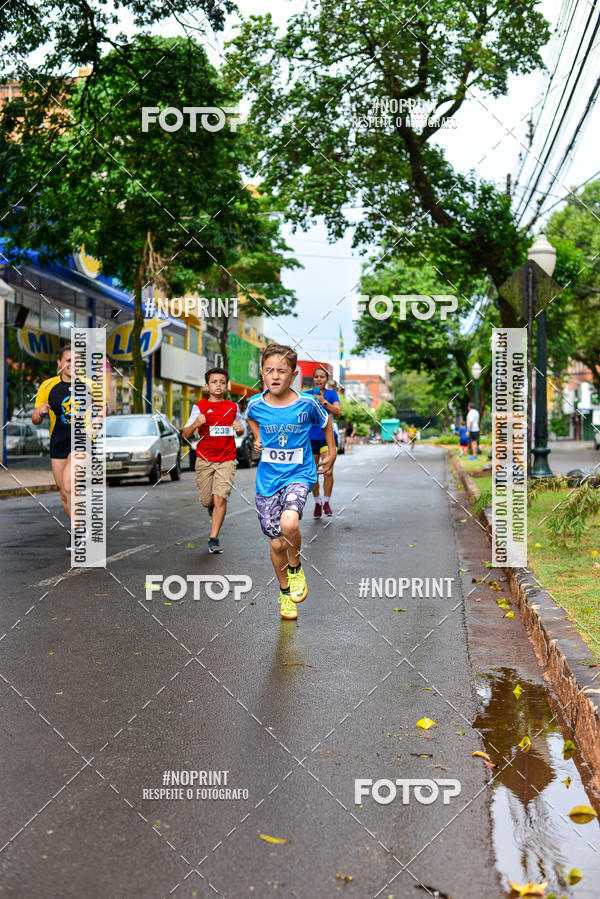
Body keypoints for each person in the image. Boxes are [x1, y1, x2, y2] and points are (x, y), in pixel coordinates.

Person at [246, 344, 336, 620]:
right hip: (267, 481)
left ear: (294, 375)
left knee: (289, 524)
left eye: (282, 371)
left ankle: (295, 568)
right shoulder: (255, 405)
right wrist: (258, 437)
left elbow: (325, 422)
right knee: (275, 544)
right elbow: (251, 419)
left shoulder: (307, 404)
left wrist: (331, 451)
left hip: (299, 475)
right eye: (269, 370)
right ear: (262, 373)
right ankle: (285, 594)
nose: (275, 376)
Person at [31, 345, 97, 550]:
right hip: (58, 441)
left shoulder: (90, 385)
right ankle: (79, 526)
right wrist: (40, 411)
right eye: (68, 360)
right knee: (63, 492)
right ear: (60, 364)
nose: (72, 364)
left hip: (82, 440)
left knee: (70, 483)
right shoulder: (48, 386)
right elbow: (35, 420)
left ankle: (77, 531)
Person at [182, 367, 245, 554]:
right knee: (206, 500)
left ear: (226, 386)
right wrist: (196, 424)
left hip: (227, 458)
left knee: (220, 497)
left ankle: (213, 538)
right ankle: (210, 507)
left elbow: (242, 429)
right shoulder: (199, 407)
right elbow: (185, 434)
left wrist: (238, 428)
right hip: (204, 459)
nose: (218, 385)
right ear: (207, 386)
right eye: (214, 382)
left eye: (222, 382)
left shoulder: (233, 407)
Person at [305, 365, 341, 517]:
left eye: (322, 377)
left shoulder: (332, 394)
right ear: (313, 379)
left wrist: (323, 401)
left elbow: (338, 412)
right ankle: (318, 502)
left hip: (327, 437)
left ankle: (326, 502)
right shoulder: (306, 394)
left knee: (328, 471)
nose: (319, 379)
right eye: (316, 377)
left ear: (327, 379)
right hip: (310, 439)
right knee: (313, 474)